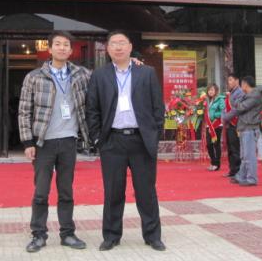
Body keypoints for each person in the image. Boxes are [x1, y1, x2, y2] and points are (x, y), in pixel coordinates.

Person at [86, 31, 165, 252]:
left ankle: (152, 236)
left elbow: (158, 107)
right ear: (108, 48)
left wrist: (154, 135)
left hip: (141, 141)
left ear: (130, 47)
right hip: (112, 141)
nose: (118, 47)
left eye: (122, 43)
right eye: (114, 43)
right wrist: (97, 138)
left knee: (146, 191)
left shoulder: (146, 72)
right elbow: (92, 109)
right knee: (113, 191)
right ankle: (111, 236)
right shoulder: (99, 75)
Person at [18, 31, 90, 253]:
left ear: (71, 50)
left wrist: (134, 62)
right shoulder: (34, 77)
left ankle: (67, 234)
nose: (61, 48)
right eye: (57, 44)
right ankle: (38, 235)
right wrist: (27, 142)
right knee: (41, 192)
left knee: (66, 191)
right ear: (49, 49)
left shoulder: (82, 75)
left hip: (69, 140)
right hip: (44, 143)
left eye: (66, 44)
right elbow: (24, 111)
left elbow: (108, 78)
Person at [230, 76, 262, 186]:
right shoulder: (247, 95)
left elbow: (240, 107)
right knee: (244, 155)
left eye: (242, 84)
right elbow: (236, 104)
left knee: (249, 156)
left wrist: (236, 102)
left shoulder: (254, 95)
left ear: (245, 84)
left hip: (250, 128)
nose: (241, 87)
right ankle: (242, 176)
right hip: (245, 127)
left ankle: (252, 179)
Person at [221, 74, 244, 177]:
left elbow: (236, 109)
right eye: (228, 80)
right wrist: (223, 116)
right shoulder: (230, 93)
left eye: (230, 80)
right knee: (230, 148)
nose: (228, 82)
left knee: (235, 148)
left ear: (237, 81)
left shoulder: (240, 93)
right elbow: (225, 108)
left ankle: (238, 171)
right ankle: (232, 170)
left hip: (236, 124)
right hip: (229, 124)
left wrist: (225, 117)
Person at [204, 84, 225, 171]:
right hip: (209, 125)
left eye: (212, 90)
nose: (210, 91)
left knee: (216, 144)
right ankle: (213, 162)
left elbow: (223, 111)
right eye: (209, 90)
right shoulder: (208, 100)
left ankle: (217, 164)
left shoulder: (220, 99)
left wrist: (214, 115)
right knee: (209, 145)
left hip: (217, 124)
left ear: (216, 91)